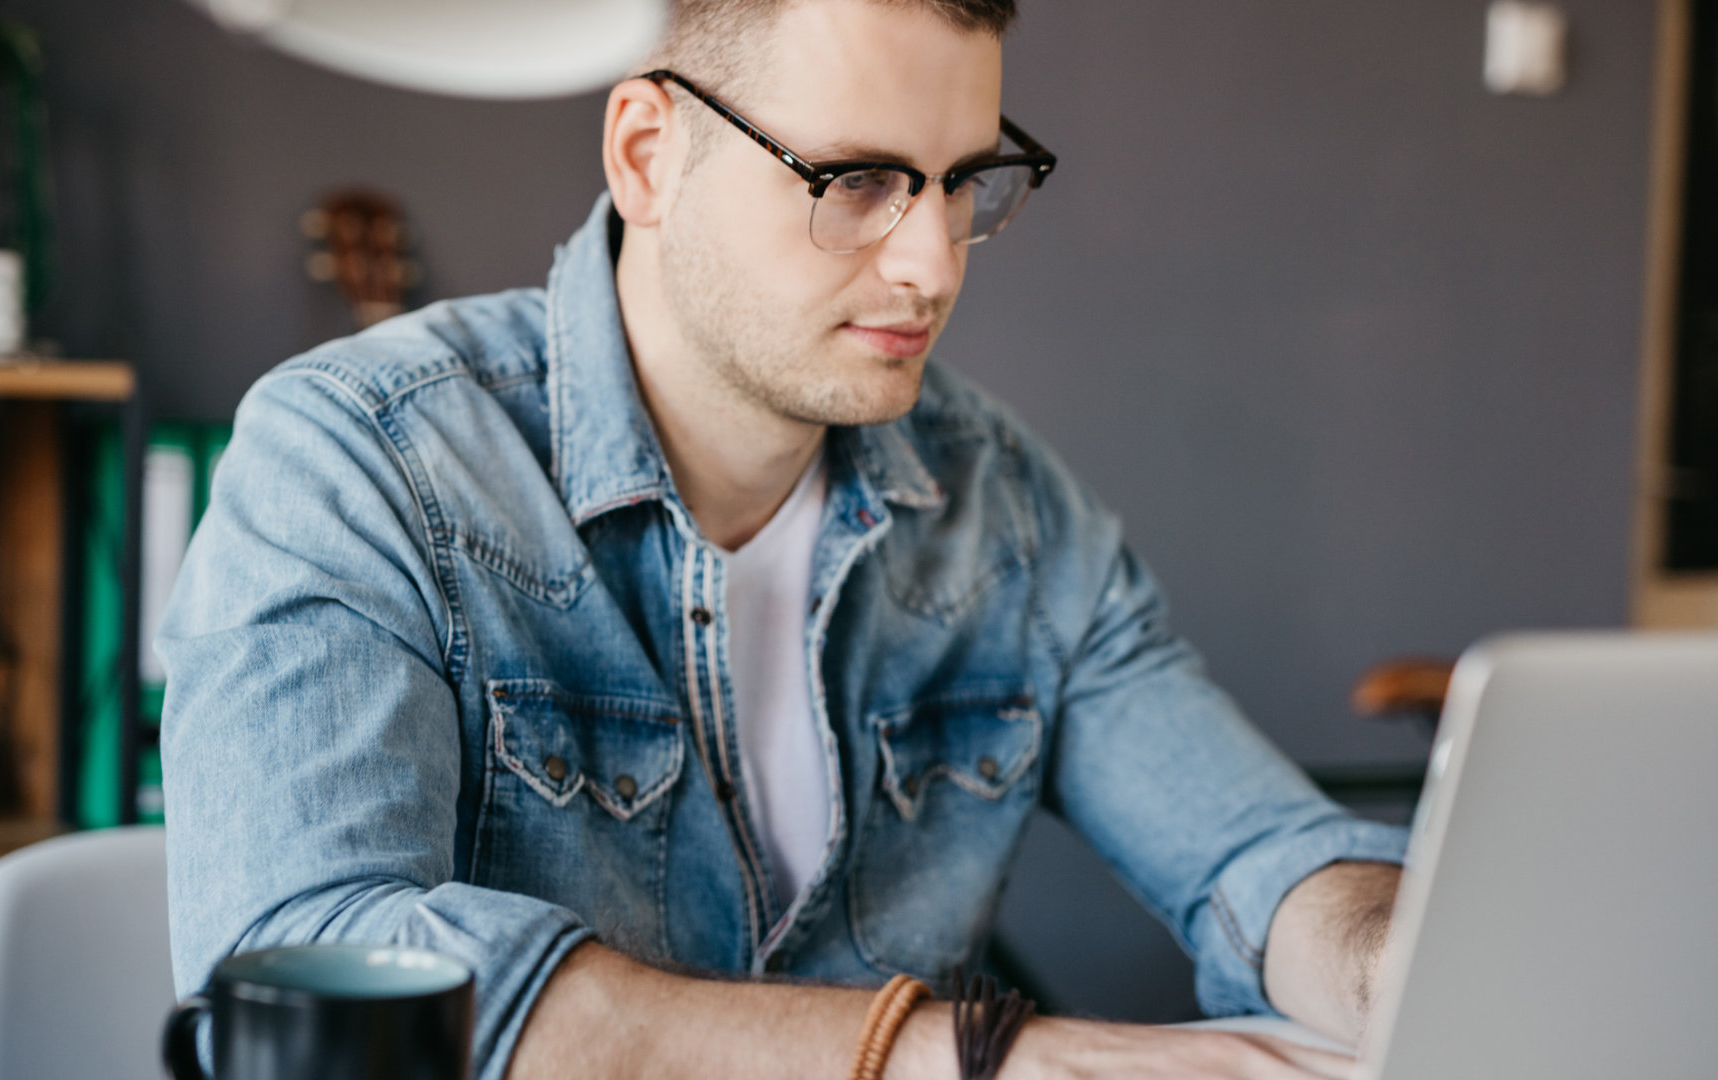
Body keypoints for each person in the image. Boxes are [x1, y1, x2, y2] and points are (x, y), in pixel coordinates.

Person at [159, 1, 1410, 1077]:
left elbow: (1257, 852)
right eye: (855, 182)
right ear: (649, 156)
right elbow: (307, 971)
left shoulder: (1006, 509)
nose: (930, 264)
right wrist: (965, 1056)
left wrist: (1403, 965)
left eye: (963, 180)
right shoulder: (361, 458)